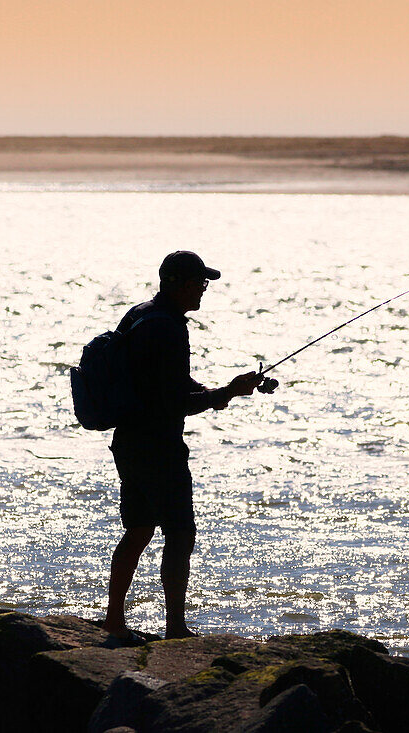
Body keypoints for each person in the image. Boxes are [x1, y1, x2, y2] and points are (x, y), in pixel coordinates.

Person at [102, 251, 263, 641]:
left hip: (128, 440)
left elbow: (171, 384)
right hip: (158, 445)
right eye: (200, 283)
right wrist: (223, 393)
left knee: (139, 529)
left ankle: (113, 621)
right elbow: (173, 401)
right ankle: (175, 628)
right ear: (181, 284)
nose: (204, 291)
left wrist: (220, 392)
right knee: (179, 532)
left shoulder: (139, 315)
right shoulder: (170, 328)